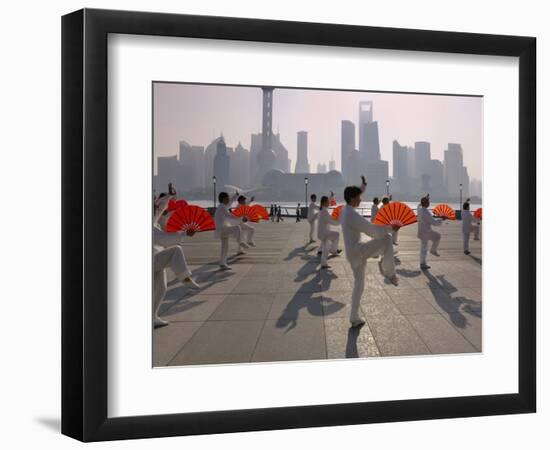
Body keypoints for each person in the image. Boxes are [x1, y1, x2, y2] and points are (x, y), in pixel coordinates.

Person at [340, 176, 399, 328]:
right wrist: (391, 227)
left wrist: (362, 186)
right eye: (359, 197)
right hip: (357, 251)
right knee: (386, 239)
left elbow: (354, 194)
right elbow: (372, 231)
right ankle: (389, 272)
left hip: (351, 253)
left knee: (359, 284)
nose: (361, 200)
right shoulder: (352, 215)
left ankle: (354, 317)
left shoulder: (344, 210)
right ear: (352, 198)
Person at [152, 195, 200, 328]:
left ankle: (152, 317)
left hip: (156, 258)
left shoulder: (153, 221)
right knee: (176, 250)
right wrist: (184, 234)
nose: (158, 210)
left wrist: (170, 195)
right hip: (152, 259)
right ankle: (185, 277)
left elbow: (160, 208)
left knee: (161, 288)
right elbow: (164, 239)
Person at [215, 192, 249, 270]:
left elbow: (230, 203)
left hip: (222, 229)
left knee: (225, 247)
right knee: (237, 228)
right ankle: (240, 242)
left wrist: (235, 195)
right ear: (223, 199)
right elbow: (229, 216)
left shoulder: (223, 206)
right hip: (223, 229)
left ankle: (222, 263)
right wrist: (241, 218)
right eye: (227, 198)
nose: (228, 199)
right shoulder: (222, 208)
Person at [417, 194, 444, 270]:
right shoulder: (426, 212)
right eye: (428, 202)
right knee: (438, 236)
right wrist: (442, 219)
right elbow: (434, 222)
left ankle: (422, 263)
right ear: (425, 203)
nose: (429, 203)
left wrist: (426, 197)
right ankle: (433, 250)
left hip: (421, 232)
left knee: (423, 248)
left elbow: (419, 205)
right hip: (426, 232)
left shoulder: (419, 209)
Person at [318, 195, 342, 269]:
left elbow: (330, 219)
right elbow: (332, 221)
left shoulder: (322, 210)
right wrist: (339, 220)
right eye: (328, 202)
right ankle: (333, 250)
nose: (329, 203)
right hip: (324, 233)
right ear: (325, 202)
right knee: (337, 235)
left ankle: (323, 263)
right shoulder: (324, 211)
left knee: (326, 247)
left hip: (322, 233)